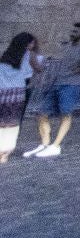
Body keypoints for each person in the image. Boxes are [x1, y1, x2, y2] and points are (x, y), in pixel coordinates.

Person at [27, 21, 80, 159]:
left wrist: (79, 69)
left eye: (76, 31)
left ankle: (56, 146)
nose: (72, 33)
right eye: (72, 31)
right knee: (42, 113)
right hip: (58, 83)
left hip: (72, 85)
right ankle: (45, 144)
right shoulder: (69, 46)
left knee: (66, 113)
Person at [1, 34, 38, 162]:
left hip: (3, 90)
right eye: (31, 43)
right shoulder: (29, 54)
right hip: (17, 92)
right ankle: (4, 152)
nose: (33, 46)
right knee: (13, 121)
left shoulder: (6, 54)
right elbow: (38, 68)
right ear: (27, 44)